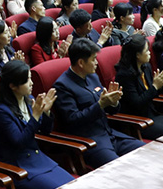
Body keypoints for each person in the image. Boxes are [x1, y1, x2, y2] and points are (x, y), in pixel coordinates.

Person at [53, 38, 144, 168]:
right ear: (81, 63)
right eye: (93, 59)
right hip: (90, 142)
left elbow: (110, 110)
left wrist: (113, 102)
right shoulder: (62, 86)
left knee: (145, 152)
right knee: (120, 168)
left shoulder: (92, 76)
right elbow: (73, 119)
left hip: (110, 134)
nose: (96, 63)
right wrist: (100, 104)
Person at [0, 59, 74, 189]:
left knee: (74, 186)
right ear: (13, 86)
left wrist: (46, 112)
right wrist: (35, 116)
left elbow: (45, 131)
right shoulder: (2, 112)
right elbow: (19, 142)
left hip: (38, 159)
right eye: (27, 81)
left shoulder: (28, 100)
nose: (32, 83)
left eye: (30, 78)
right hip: (20, 168)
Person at [114, 34, 163, 139]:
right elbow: (137, 103)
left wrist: (160, 85)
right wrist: (155, 86)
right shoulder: (124, 75)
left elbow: (153, 95)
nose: (149, 53)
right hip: (138, 122)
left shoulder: (146, 66)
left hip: (152, 114)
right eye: (146, 50)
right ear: (137, 55)